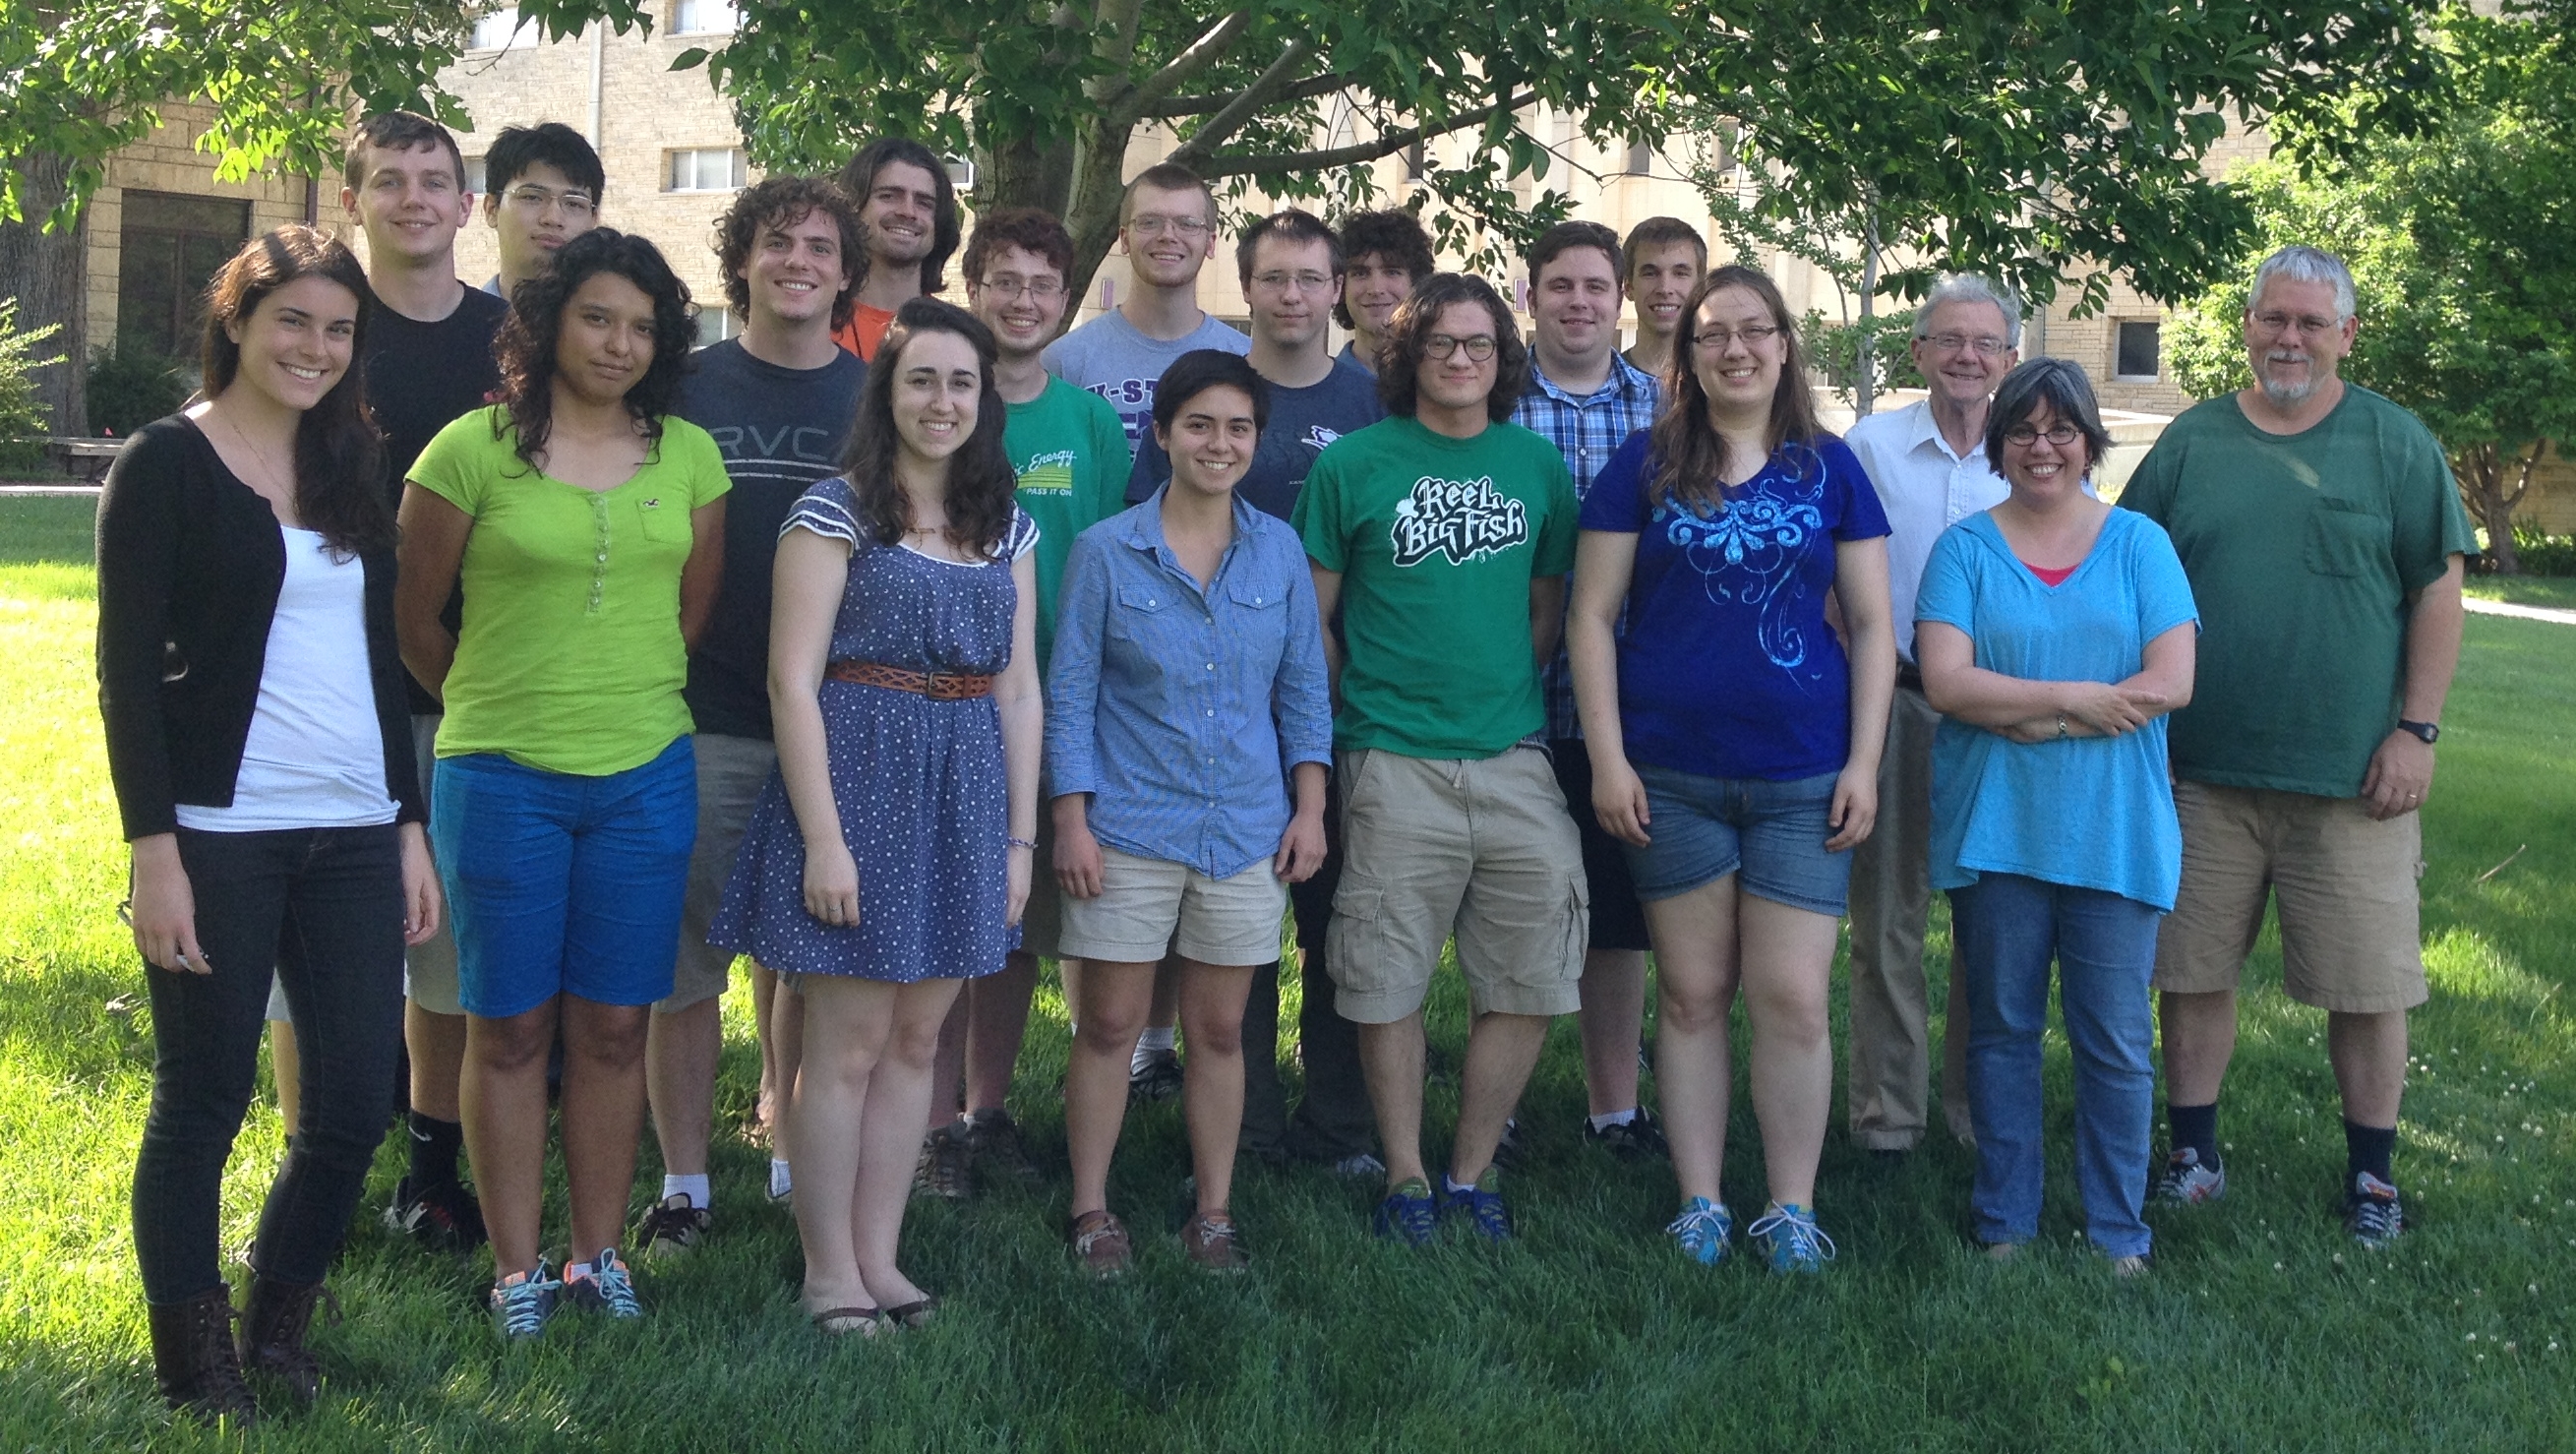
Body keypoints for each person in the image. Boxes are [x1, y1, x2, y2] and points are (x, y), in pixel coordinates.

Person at [97, 226, 440, 1423]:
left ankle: (278, 1327)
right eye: (293, 318)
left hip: (351, 826)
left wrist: (405, 820)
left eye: (338, 329)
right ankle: (198, 1365)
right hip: (218, 828)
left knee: (351, 1103)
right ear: (237, 319)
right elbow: (125, 674)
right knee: (202, 1098)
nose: (316, 346)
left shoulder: (352, 462)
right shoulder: (165, 463)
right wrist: (157, 852)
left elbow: (378, 659)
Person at [396, 228, 730, 1337]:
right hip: (499, 780)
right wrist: (497, 707)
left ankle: (599, 1256)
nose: (618, 342)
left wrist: (612, 701)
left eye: (641, 325)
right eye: (597, 317)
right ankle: (516, 1269)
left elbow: (689, 614)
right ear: (546, 326)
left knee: (611, 1031)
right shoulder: (467, 451)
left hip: (646, 776)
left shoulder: (689, 454)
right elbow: (411, 618)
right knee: (506, 1030)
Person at [2117, 244, 2471, 1246]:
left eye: (2313, 323)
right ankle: (2193, 1154)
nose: (2290, 338)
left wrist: (2417, 729)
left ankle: (2373, 1176)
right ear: (2246, 324)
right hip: (2199, 772)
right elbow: (2133, 571)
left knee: (2367, 984)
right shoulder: (2192, 442)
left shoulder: (2396, 444)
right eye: (2275, 318)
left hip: (2355, 778)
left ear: (2347, 334)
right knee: (2189, 969)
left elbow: (2437, 590)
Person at [710, 298, 1044, 1334]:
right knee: (846, 1047)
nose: (941, 401)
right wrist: (823, 838)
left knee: (916, 1046)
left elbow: (1020, 690)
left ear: (983, 400)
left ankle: (879, 1256)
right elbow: (791, 682)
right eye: (921, 380)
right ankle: (825, 1273)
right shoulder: (834, 510)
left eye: (960, 383)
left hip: (966, 800)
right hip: (857, 789)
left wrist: (1019, 838)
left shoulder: (1008, 525)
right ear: (886, 393)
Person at [1566, 266, 1895, 1273]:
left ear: (1786, 346)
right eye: (1714, 334)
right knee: (1696, 992)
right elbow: (1589, 614)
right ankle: (1701, 1198)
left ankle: (1790, 1205)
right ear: (1689, 352)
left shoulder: (1831, 469)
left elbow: (1878, 624)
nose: (1736, 348)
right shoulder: (1643, 463)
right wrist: (1610, 759)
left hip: (1803, 773)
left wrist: (1867, 762)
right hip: (1672, 773)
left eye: (1756, 331)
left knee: (1793, 994)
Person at [1290, 273, 1586, 1245]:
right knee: (1382, 974)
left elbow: (1548, 609)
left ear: (1504, 361)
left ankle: (1473, 1168)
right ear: (1407, 357)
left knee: (1535, 970)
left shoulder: (1535, 466)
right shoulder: (1355, 466)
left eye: (1479, 345)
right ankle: (1408, 1174)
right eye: (1440, 344)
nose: (1460, 360)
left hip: (1512, 756)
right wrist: (1362, 711)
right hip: (1389, 757)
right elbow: (1315, 616)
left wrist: (1496, 693)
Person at [1048, 350, 1333, 1275]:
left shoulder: (1279, 549)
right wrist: (1071, 819)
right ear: (1162, 434)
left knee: (1218, 1031)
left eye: (1238, 427)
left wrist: (1310, 807)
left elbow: (1302, 689)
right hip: (1127, 826)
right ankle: (1090, 1211)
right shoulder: (1105, 550)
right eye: (1200, 425)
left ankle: (1213, 1212)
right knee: (1107, 1026)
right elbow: (1070, 694)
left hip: (1245, 829)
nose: (1219, 443)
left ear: (1257, 440)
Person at [1915, 358, 2198, 1272]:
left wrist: (2037, 713)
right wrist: (2078, 698)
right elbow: (1948, 682)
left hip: (2113, 829)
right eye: (2023, 430)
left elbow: (2171, 680)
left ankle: (2119, 1231)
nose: (2042, 447)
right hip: (1997, 827)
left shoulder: (2139, 545)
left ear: (2089, 441)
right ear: (1999, 444)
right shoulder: (1963, 550)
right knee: (1999, 1033)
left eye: (2061, 428)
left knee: (2113, 1040)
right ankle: (2005, 1219)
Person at [637, 176, 869, 1252]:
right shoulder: (680, 385)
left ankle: (793, 1143)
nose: (799, 261)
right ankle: (686, 1180)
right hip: (703, 714)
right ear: (742, 261)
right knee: (684, 961)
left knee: (818, 957)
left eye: (821, 246)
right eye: (778, 243)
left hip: (843, 723)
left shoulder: (877, 398)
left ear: (844, 270)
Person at [1125, 209, 1383, 1165]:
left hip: (1341, 701)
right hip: (1211, 715)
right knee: (1231, 939)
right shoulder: (1207, 395)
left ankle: (1342, 1123)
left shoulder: (1370, 404)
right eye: (1273, 278)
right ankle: (1246, 1123)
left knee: (1338, 928)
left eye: (1311, 279)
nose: (1292, 297)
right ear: (1247, 285)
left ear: (1339, 288)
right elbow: (1144, 540)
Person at [918, 207, 1132, 1197]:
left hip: (1059, 705)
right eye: (1004, 280)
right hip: (948, 705)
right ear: (973, 289)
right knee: (946, 928)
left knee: (1013, 928)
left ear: (1065, 297)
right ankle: (925, 1125)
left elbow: (1114, 559)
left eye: (1044, 284)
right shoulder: (940, 406)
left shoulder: (1089, 421)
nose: (1024, 299)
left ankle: (985, 1109)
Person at [340, 108, 509, 1249]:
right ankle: (327, 1172)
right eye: (388, 179)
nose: (412, 197)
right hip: (326, 684)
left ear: (465, 205)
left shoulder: (509, 342)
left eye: (433, 179)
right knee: (332, 952)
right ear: (354, 196)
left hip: (471, 689)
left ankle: (428, 1167)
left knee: (440, 951)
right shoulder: (318, 328)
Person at [1840, 273, 2022, 1156]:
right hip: (1896, 705)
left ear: (2011, 358)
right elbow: (1833, 583)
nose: (1965, 357)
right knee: (1887, 921)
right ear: (1916, 351)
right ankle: (1887, 1119)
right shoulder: (1870, 447)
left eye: (1984, 344)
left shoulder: (2034, 452)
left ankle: (1975, 1112)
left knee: (1993, 923)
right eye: (1948, 340)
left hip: (2001, 717)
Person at [1512, 219, 1665, 1163]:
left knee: (1616, 918)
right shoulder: (1485, 401)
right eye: (1559, 285)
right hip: (1512, 703)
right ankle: (1507, 1101)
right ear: (1530, 297)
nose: (1578, 302)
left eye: (1594, 287)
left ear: (1622, 300)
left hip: (1625, 708)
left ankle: (1615, 1108)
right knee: (1512, 914)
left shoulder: (1666, 413)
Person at [1044, 162, 1250, 451]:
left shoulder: (1246, 361)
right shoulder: (1065, 362)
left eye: (1187, 224)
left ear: (1211, 243)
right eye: (1149, 222)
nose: (1167, 235)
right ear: (1124, 238)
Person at [832, 137, 961, 361]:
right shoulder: (814, 327)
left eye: (924, 203)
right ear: (852, 208)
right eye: (889, 196)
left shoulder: (958, 335)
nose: (908, 212)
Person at [478, 122, 604, 301]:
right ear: (492, 210)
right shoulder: (460, 327)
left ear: (594, 220)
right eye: (532, 197)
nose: (553, 218)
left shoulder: (621, 328)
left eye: (574, 204)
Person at [1332, 209, 1435, 376]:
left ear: (1416, 283)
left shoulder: (1439, 384)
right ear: (1340, 287)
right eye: (1360, 273)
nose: (1376, 289)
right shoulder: (1322, 389)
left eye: (1392, 272)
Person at [1618, 217, 1706, 380]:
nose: (1665, 289)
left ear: (1700, 287)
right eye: (1650, 273)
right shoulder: (1600, 383)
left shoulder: (1719, 383)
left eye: (1680, 273)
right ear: (1628, 287)